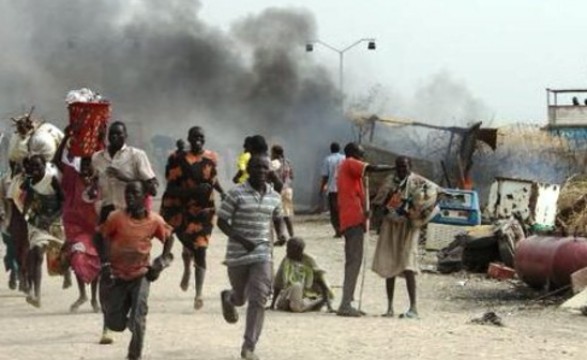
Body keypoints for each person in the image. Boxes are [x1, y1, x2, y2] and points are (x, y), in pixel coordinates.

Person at [92, 120, 158, 344]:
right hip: (108, 216)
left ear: (126, 136)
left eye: (120, 134)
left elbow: (153, 187)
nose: (115, 137)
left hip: (132, 219)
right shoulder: (97, 158)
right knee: (106, 270)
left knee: (131, 270)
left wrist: (124, 177)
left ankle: (132, 314)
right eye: (112, 134)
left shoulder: (136, 155)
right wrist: (91, 187)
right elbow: (95, 186)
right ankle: (107, 325)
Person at [217, 153, 287, 360]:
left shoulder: (274, 196)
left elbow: (278, 218)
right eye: (256, 167)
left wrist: (282, 233)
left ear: (270, 171)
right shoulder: (236, 194)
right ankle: (229, 298)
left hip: (262, 253)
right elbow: (221, 221)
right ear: (248, 169)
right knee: (241, 298)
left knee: (259, 297)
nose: (261, 171)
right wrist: (240, 239)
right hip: (238, 255)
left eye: (265, 168)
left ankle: (249, 346)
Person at [99, 181, 174, 360]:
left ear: (144, 197)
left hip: (141, 274)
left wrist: (163, 259)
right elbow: (101, 236)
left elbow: (169, 237)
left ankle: (134, 355)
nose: (130, 197)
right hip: (117, 275)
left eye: (135, 193)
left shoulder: (154, 220)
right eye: (127, 193)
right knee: (113, 322)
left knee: (139, 315)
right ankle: (129, 321)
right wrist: (105, 263)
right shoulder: (116, 217)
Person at [160, 126, 224, 310]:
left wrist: (223, 192)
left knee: (201, 249)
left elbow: (213, 179)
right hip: (183, 211)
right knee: (189, 245)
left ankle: (199, 293)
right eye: (194, 137)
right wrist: (194, 190)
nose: (198, 140)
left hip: (204, 211)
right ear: (189, 138)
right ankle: (187, 268)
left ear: (205, 139)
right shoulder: (177, 159)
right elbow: (171, 188)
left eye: (201, 137)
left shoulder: (212, 158)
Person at [371, 156, 439, 319]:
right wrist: (378, 217)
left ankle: (413, 308)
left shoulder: (419, 183)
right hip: (390, 227)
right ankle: (389, 307)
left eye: (405, 167)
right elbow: (379, 203)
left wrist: (417, 215)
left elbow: (433, 197)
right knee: (389, 264)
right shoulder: (389, 182)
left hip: (409, 228)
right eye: (399, 167)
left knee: (409, 265)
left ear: (410, 167)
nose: (402, 170)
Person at [336, 142, 394, 317]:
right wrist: (393, 167)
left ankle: (348, 300)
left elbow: (358, 195)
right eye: (361, 155)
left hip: (355, 219)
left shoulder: (352, 173)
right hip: (352, 220)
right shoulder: (350, 163)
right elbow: (372, 168)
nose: (363, 158)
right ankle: (345, 304)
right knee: (354, 262)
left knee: (354, 261)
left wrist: (365, 210)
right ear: (353, 154)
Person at [53, 129, 101, 313]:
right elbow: (57, 161)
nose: (86, 168)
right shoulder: (72, 176)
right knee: (78, 257)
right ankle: (82, 294)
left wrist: (99, 135)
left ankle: (95, 299)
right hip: (77, 227)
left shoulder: (99, 179)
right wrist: (65, 138)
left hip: (96, 228)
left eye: (89, 164)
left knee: (96, 260)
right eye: (84, 164)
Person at [21, 154, 65, 308]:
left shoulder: (51, 179)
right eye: (32, 167)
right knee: (37, 255)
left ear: (44, 165)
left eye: (38, 166)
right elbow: (27, 200)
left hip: (54, 222)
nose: (35, 169)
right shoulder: (29, 182)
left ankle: (66, 276)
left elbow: (63, 201)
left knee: (63, 257)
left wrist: (53, 218)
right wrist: (25, 215)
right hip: (37, 223)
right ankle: (36, 294)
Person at [269, 237, 334, 313]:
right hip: (288, 296)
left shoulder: (309, 261)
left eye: (290, 250)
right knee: (297, 286)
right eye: (287, 248)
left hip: (305, 296)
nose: (287, 251)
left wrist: (329, 306)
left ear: (299, 251)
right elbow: (278, 283)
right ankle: (305, 306)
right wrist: (272, 304)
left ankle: (308, 304)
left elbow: (322, 282)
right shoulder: (286, 261)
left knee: (298, 296)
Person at [320, 142, 345, 237]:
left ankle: (338, 230)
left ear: (331, 149)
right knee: (342, 209)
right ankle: (343, 228)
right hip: (344, 188)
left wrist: (321, 188)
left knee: (334, 211)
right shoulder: (345, 158)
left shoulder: (328, 159)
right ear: (339, 149)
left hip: (333, 189)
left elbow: (325, 176)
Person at [270, 144, 294, 237]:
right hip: (287, 189)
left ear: (275, 153)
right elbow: (292, 176)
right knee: (287, 214)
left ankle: (281, 236)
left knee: (276, 215)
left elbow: (270, 177)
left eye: (272, 152)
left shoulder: (274, 163)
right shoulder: (287, 162)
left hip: (277, 191)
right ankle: (292, 235)